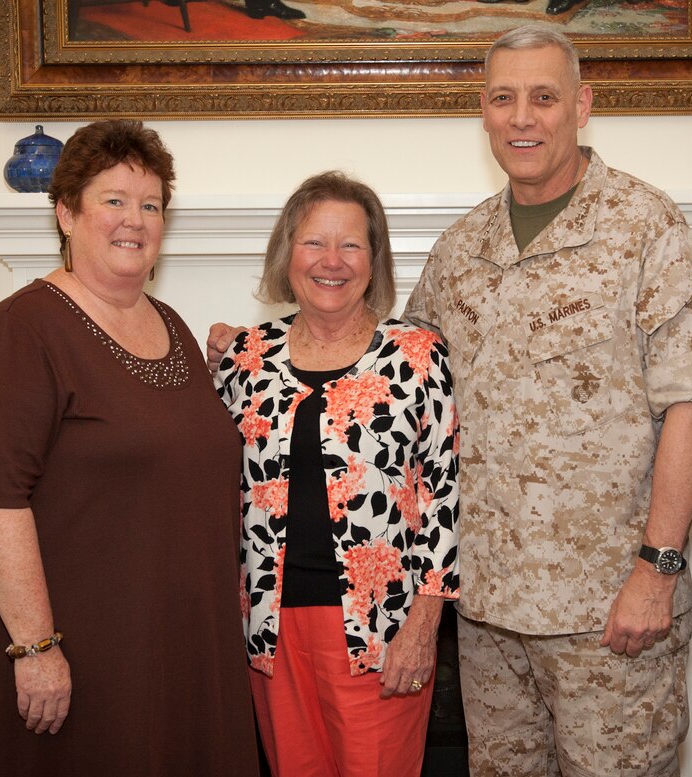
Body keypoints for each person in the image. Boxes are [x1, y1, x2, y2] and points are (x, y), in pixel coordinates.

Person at [405, 25, 692, 777]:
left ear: (581, 106)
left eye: (544, 97)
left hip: (610, 615)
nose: (523, 117)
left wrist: (657, 571)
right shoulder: (459, 250)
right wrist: (269, 340)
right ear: (484, 113)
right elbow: (401, 382)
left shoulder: (645, 227)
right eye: (503, 98)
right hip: (488, 615)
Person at [0, 119, 258, 777]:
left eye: (150, 205)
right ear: (65, 212)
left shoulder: (169, 325)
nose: (133, 220)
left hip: (164, 644)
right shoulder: (20, 332)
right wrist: (35, 648)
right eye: (113, 200)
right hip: (69, 653)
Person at [213, 171, 460, 777]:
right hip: (269, 631)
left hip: (382, 632)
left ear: (374, 260)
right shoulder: (245, 359)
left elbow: (445, 498)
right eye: (313, 243)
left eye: (351, 245)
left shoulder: (418, 355)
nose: (332, 261)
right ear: (286, 255)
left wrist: (424, 626)